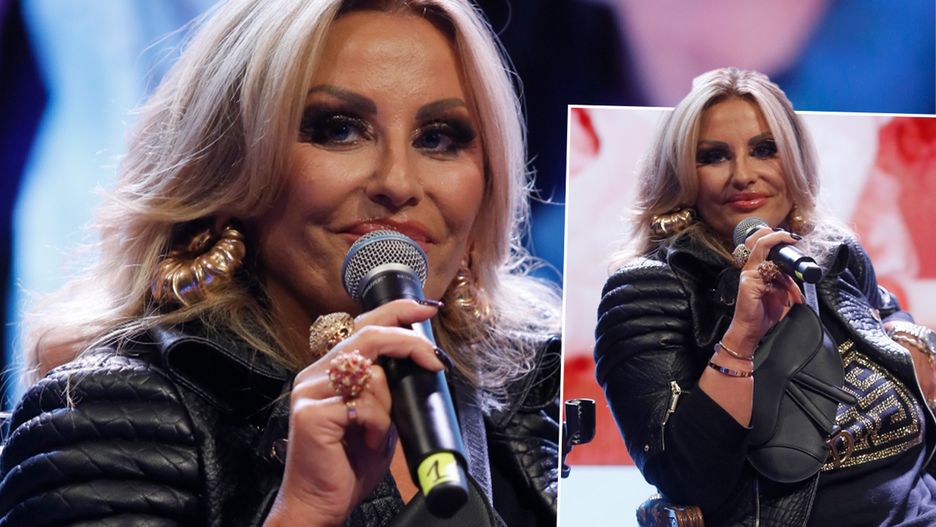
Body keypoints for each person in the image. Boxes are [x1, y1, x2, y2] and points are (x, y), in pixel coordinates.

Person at [0, 1, 561, 525]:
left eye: (437, 138)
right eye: (339, 129)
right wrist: (303, 510)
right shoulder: (107, 416)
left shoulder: (547, 397)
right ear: (230, 169)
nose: (397, 182)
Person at [594, 67, 936, 526]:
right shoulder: (647, 290)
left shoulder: (832, 254)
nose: (743, 175)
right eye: (714, 156)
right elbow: (687, 477)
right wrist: (742, 337)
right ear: (682, 176)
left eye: (764, 149)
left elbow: (890, 316)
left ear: (793, 161)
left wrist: (914, 340)